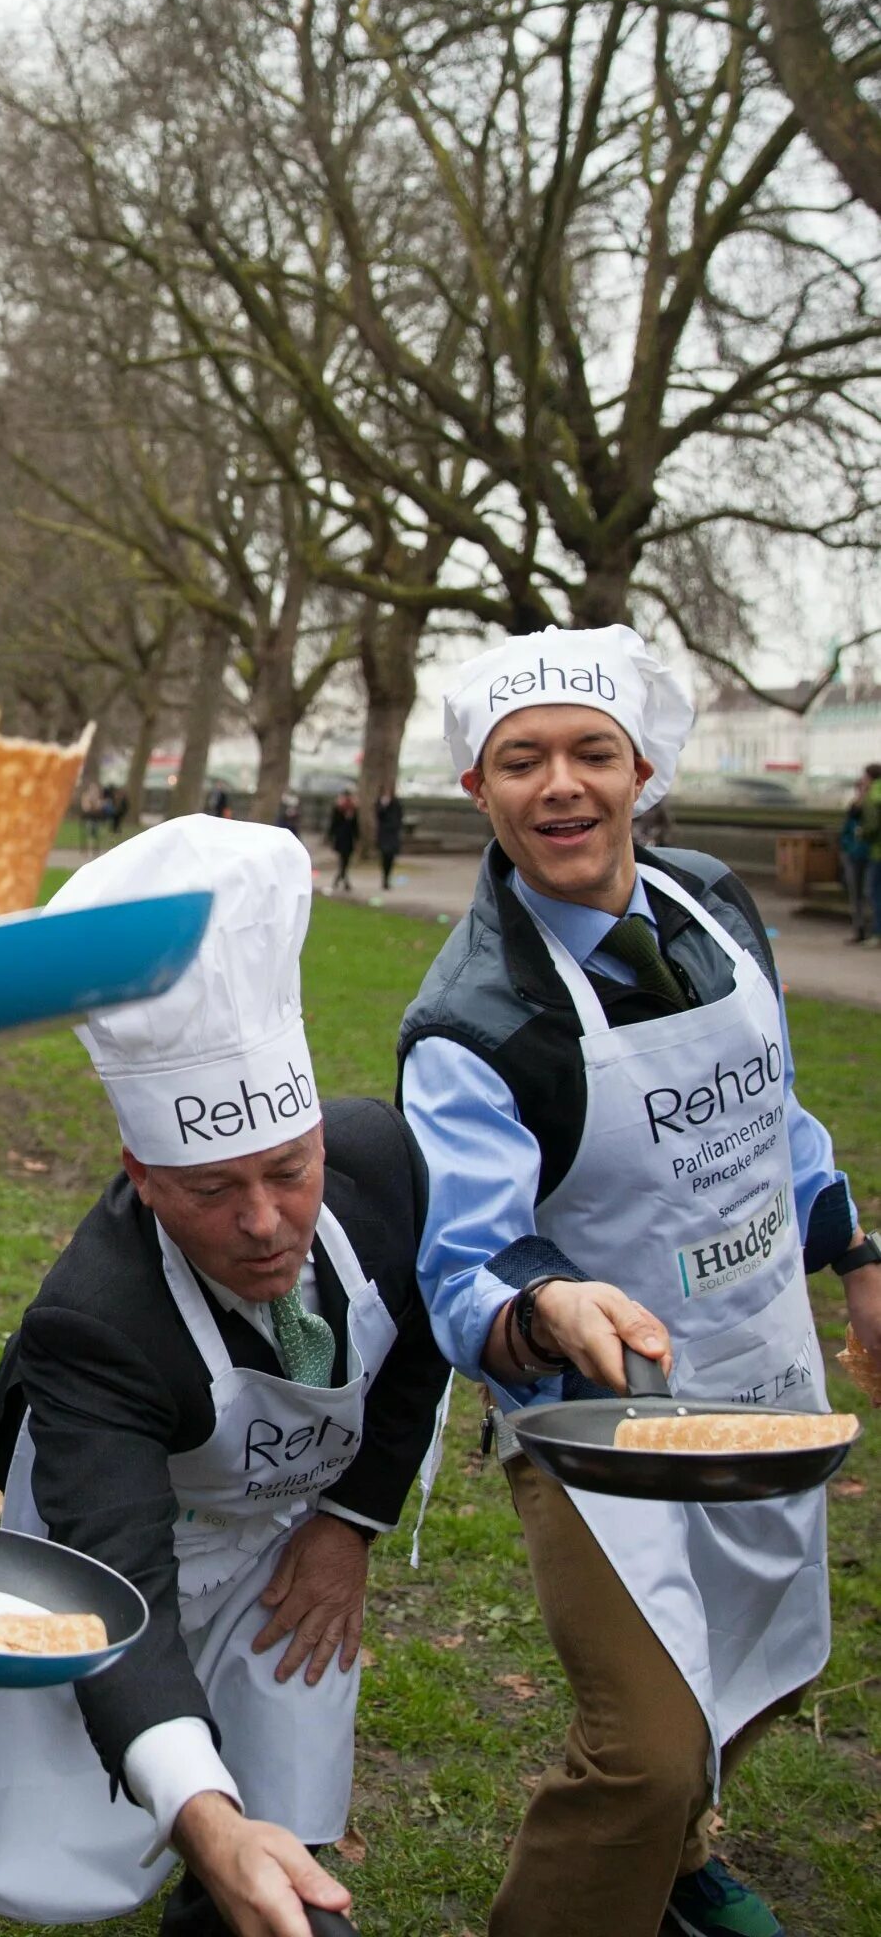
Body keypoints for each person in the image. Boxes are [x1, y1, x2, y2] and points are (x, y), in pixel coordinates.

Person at [400, 625, 881, 1937]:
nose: (561, 784)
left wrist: (856, 1259)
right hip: (602, 1424)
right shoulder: (475, 1020)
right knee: (644, 1749)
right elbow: (462, 1255)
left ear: (644, 769)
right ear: (477, 792)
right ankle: (630, 1855)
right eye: (522, 761)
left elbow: (772, 1119)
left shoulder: (716, 906)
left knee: (774, 1665)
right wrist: (545, 1302)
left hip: (763, 1370)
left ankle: (674, 1865)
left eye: (591, 753)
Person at [0, 818, 448, 1937]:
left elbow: (417, 1341)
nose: (266, 1222)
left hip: (285, 1524)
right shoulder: (97, 1324)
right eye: (212, 1188)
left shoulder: (383, 1165)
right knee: (132, 1805)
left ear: (321, 1131)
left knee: (286, 1809)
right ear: (141, 1172)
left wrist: (349, 1521)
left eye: (287, 1168)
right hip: (121, 1530)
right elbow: (114, 1596)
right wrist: (207, 1820)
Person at [846, 763, 881, 944]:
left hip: (871, 851)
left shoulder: (872, 798)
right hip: (867, 852)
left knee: (870, 892)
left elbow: (869, 826)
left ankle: (872, 931)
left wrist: (862, 834)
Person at [325, 791, 361, 894]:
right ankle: (344, 880)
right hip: (341, 838)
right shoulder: (338, 809)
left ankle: (340, 879)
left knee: (346, 860)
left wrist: (357, 838)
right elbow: (334, 823)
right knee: (342, 859)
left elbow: (355, 826)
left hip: (349, 838)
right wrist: (331, 836)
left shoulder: (353, 810)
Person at [372, 786, 404, 890]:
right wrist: (384, 806)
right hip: (384, 835)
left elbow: (399, 817)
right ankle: (384, 878)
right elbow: (378, 815)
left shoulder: (396, 804)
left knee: (391, 857)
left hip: (393, 834)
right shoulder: (380, 804)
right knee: (384, 856)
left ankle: (387, 878)